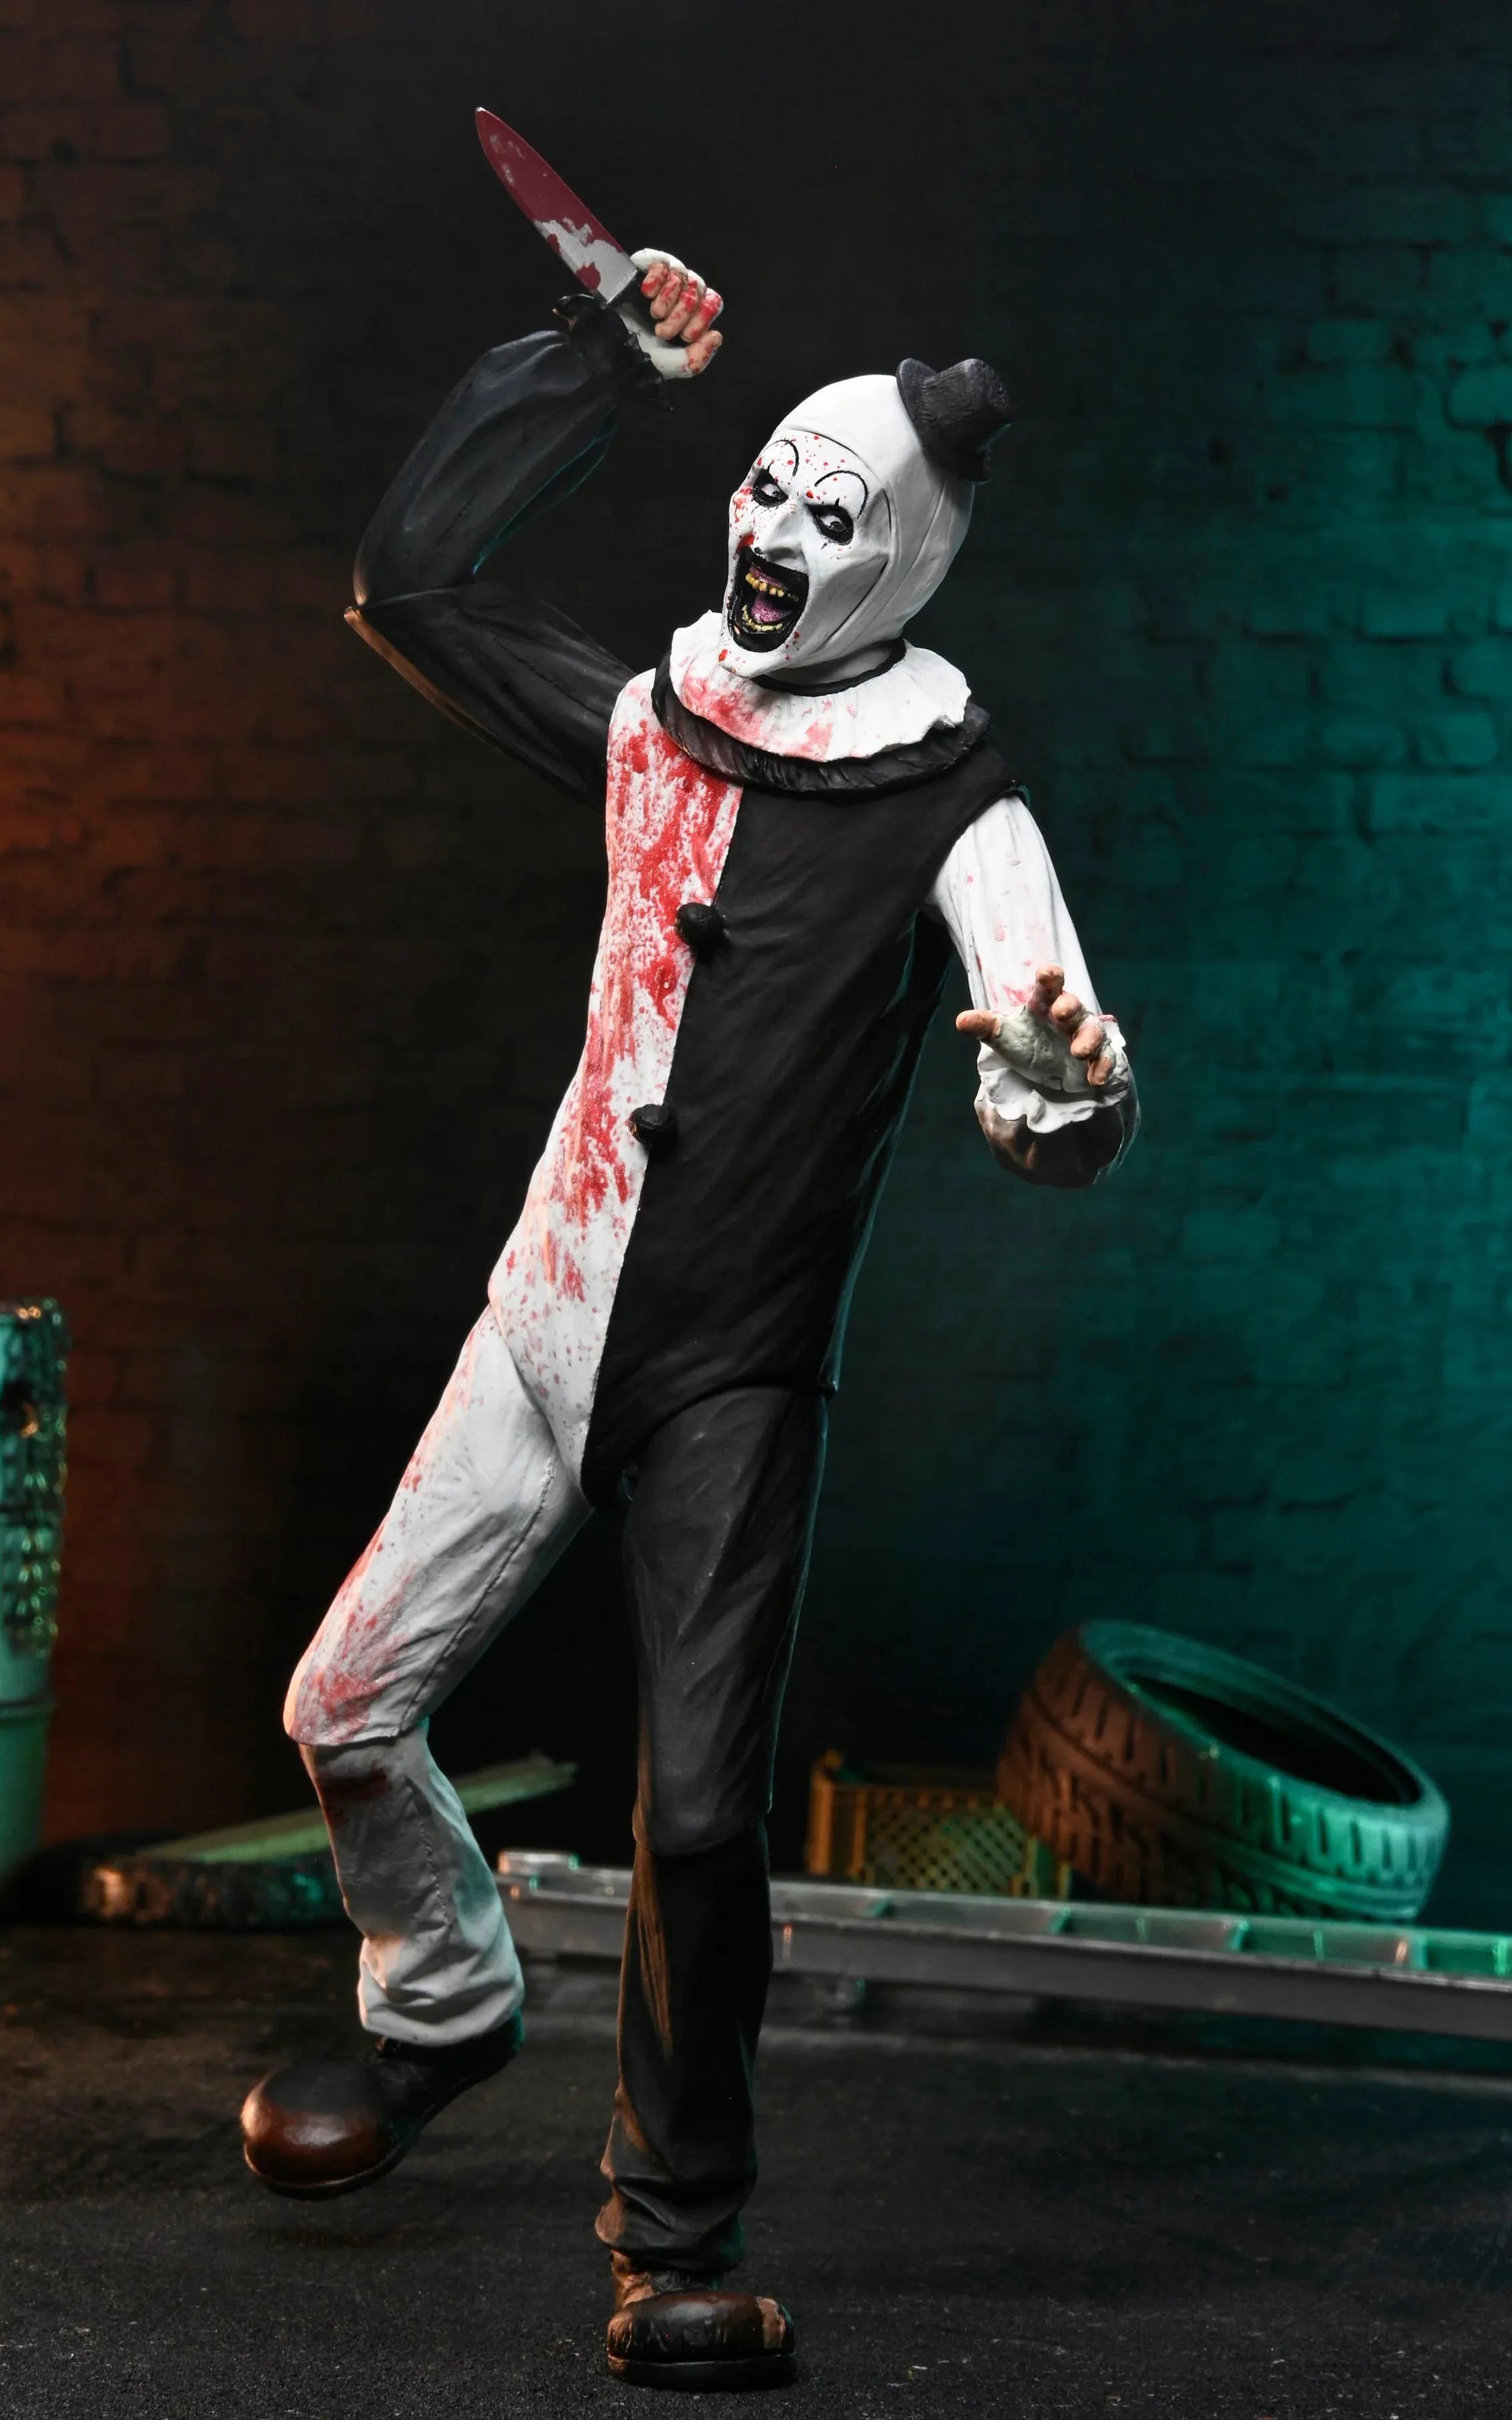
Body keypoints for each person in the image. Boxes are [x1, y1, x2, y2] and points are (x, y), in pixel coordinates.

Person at [240, 249, 1138, 2390]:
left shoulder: (955, 800)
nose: (780, 533)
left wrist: (1067, 1083)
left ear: (901, 555)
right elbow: (416, 587)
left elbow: (1048, 1077)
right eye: (769, 487)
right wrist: (596, 363)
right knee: (343, 1706)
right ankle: (442, 1996)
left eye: (836, 514)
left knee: (705, 1815)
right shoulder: (657, 721)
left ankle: (679, 2235)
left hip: (732, 1370)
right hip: (544, 1315)